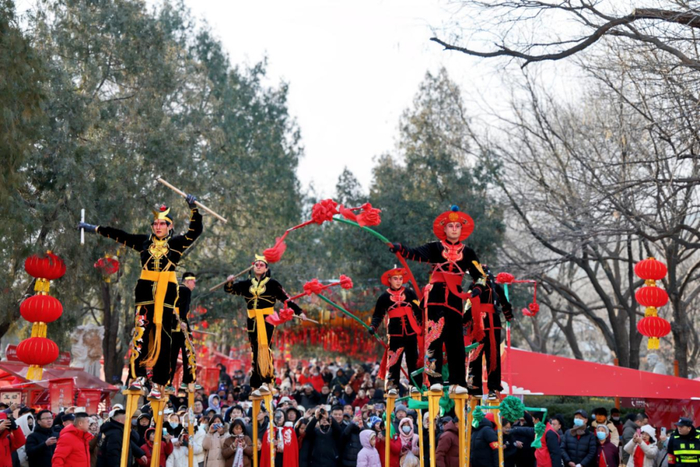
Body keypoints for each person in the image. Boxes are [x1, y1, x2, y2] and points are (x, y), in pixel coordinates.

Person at [79, 195, 203, 397]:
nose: (158, 226)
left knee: (164, 337)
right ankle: (137, 378)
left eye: (162, 223)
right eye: (155, 223)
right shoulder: (144, 242)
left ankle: (160, 383)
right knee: (141, 332)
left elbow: (195, 231)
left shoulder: (177, 243)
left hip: (167, 292)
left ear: (170, 226)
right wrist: (93, 228)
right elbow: (120, 235)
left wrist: (194, 209)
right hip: (145, 290)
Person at [390, 205, 487, 392]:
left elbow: (480, 275)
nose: (453, 229)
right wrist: (399, 249)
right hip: (435, 297)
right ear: (445, 229)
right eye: (450, 226)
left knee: (456, 340)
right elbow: (414, 253)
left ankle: (457, 382)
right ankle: (433, 380)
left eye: (457, 226)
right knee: (434, 337)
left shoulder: (468, 253)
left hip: (455, 299)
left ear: (461, 230)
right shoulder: (434, 247)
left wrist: (477, 289)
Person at [224, 255, 305, 391]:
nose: (259, 266)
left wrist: (299, 311)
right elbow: (230, 290)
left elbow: (286, 299)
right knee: (254, 348)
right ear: (252, 267)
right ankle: (256, 381)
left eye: (262, 264)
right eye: (256, 264)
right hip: (252, 319)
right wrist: (230, 282)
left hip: (267, 319)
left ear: (266, 268)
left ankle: (267, 379)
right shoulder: (246, 284)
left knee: (265, 346)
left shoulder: (273, 284)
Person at [369, 268, 422, 392]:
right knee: (394, 359)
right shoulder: (384, 297)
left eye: (400, 279)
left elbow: (419, 312)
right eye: (395, 279)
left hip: (411, 331)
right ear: (389, 280)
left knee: (413, 359)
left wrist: (422, 326)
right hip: (395, 333)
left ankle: (415, 385)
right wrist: (373, 327)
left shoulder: (410, 293)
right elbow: (378, 315)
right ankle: (393, 385)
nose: (398, 281)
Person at [464, 264, 513, 399]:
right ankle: (483, 388)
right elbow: (505, 305)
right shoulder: (492, 287)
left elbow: (469, 307)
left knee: (486, 356)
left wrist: (463, 321)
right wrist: (508, 316)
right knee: (486, 356)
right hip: (487, 324)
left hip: (485, 325)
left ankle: (483, 388)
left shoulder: (478, 288)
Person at [170, 271, 199, 391]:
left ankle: (167, 382)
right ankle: (188, 380)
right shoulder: (185, 290)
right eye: (194, 282)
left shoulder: (175, 289)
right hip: (180, 323)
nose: (194, 285)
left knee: (172, 355)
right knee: (189, 351)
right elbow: (182, 308)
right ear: (188, 281)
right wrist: (181, 321)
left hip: (171, 325)